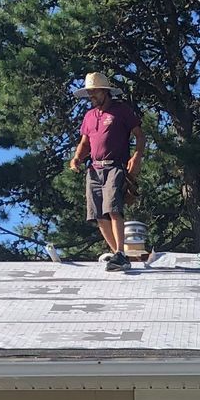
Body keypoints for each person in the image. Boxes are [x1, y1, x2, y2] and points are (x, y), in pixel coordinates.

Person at [68, 72, 145, 268]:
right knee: (98, 214)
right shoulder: (89, 116)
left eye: (94, 92)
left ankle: (120, 251)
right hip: (94, 168)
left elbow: (139, 134)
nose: (91, 97)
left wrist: (136, 156)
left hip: (114, 166)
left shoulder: (121, 110)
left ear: (105, 92)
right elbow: (85, 142)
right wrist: (77, 158)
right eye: (89, 93)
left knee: (113, 208)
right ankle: (117, 255)